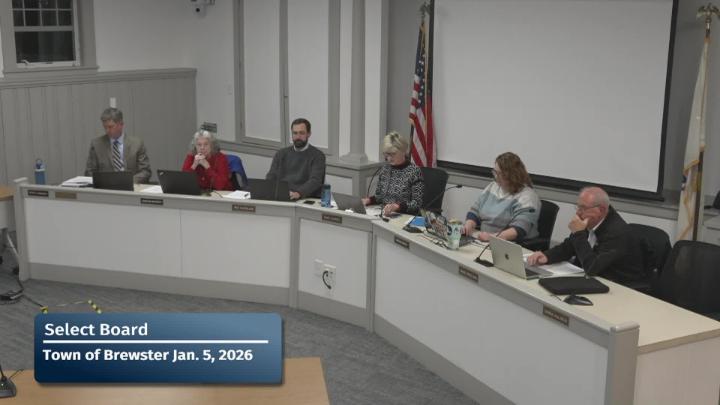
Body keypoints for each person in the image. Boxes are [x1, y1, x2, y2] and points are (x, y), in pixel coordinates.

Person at [527, 186, 645, 282]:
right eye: (578, 207)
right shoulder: (590, 221)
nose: (578, 213)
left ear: (601, 210)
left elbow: (592, 268)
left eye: (583, 208)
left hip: (618, 285)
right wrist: (547, 256)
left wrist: (578, 234)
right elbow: (569, 247)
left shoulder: (617, 233)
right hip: (593, 278)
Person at [462, 152, 540, 242]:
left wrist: (492, 237)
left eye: (500, 174)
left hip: (509, 243)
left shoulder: (528, 196)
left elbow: (519, 228)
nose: (496, 177)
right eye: (495, 172)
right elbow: (475, 211)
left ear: (513, 176)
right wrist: (469, 225)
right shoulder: (492, 187)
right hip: (484, 239)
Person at [362, 131, 424, 216]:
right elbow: (380, 197)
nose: (389, 158)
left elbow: (417, 204)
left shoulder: (414, 171)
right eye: (387, 154)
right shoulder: (385, 169)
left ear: (403, 151)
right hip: (385, 214)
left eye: (393, 154)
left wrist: (397, 206)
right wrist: (369, 200)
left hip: (404, 216)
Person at [85, 107, 151, 184]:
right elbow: (89, 172)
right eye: (105, 127)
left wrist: (127, 182)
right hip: (106, 187)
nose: (107, 130)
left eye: (110, 127)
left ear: (121, 124)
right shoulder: (97, 144)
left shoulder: (137, 144)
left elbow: (145, 171)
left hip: (131, 186)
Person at [266, 118, 326, 200]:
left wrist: (298, 193)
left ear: (308, 134)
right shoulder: (281, 154)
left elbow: (315, 181)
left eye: (302, 133)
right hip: (282, 196)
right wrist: (268, 189)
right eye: (295, 133)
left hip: (305, 198)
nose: (298, 137)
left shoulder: (318, 156)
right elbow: (271, 176)